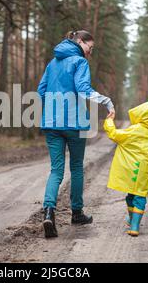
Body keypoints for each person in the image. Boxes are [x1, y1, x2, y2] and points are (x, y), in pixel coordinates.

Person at [37, 30, 115, 238]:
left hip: (51, 124)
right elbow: (82, 89)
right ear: (80, 42)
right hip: (74, 124)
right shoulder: (80, 62)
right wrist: (106, 101)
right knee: (77, 168)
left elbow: (41, 91)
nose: (90, 52)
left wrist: (53, 110)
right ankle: (77, 213)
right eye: (90, 47)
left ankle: (48, 212)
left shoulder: (52, 63)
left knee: (56, 170)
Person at [103, 99, 148, 237]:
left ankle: (134, 222)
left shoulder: (134, 130)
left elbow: (114, 134)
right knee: (140, 196)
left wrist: (109, 121)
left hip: (130, 170)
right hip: (144, 172)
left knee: (130, 196)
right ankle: (134, 223)